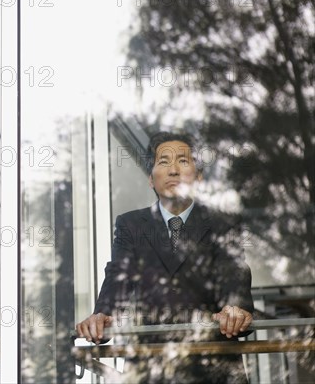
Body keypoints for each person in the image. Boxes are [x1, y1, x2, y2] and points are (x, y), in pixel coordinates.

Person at [76, 131, 254, 383]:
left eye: (183, 161)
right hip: (152, 367)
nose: (173, 170)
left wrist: (236, 309)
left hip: (215, 366)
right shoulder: (131, 225)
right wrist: (103, 314)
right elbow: (118, 274)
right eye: (163, 162)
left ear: (199, 176)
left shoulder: (222, 222)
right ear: (151, 179)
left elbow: (234, 270)